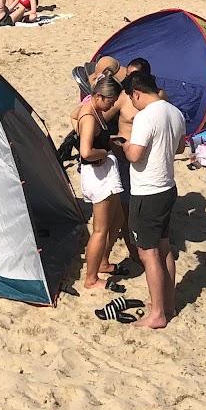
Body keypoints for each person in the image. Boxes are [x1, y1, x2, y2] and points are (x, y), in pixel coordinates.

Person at [120, 70, 187, 330]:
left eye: (131, 98)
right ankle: (167, 304)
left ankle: (158, 313)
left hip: (148, 191)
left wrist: (126, 146)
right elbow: (180, 148)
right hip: (168, 187)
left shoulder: (145, 117)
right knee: (163, 247)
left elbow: (135, 155)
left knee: (147, 253)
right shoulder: (174, 111)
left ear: (136, 93)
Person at [75, 76, 126, 292]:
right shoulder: (89, 117)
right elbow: (85, 152)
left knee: (118, 218)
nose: (112, 105)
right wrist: (104, 152)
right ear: (98, 96)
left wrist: (107, 141)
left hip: (104, 172)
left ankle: (103, 263)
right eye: (110, 101)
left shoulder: (89, 109)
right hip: (98, 174)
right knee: (100, 230)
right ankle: (91, 278)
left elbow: (71, 116)